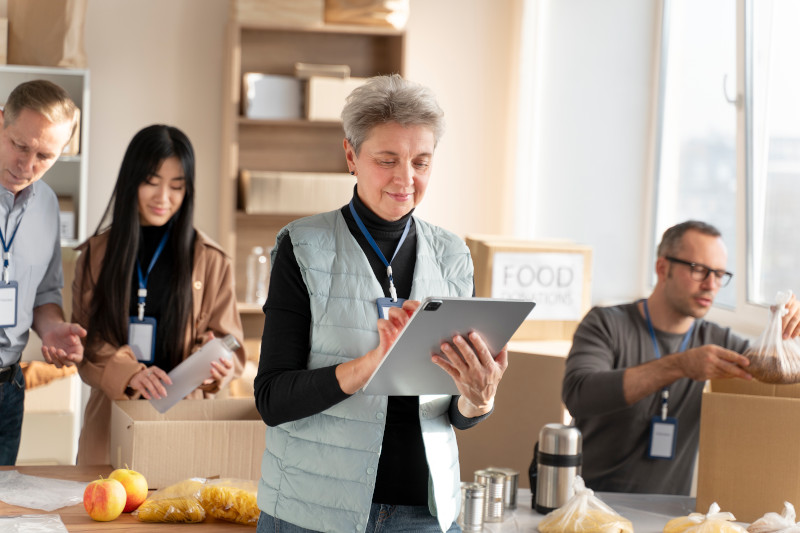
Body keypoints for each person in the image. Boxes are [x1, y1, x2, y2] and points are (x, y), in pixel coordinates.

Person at [254, 74, 507, 533]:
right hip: (311, 514)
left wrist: (477, 398)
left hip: (424, 516)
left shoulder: (453, 255)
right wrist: (368, 367)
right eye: (387, 159)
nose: (405, 179)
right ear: (351, 156)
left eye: (421, 162)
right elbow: (272, 400)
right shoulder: (302, 246)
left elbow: (452, 413)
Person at [562, 220, 800, 495]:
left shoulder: (719, 341)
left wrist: (786, 331)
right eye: (699, 270)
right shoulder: (606, 324)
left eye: (720, 274)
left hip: (666, 515)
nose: (711, 285)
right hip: (586, 503)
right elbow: (578, 394)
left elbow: (780, 378)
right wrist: (679, 365)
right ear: (663, 268)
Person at [72, 124, 246, 465]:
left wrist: (218, 365)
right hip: (111, 423)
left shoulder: (211, 259)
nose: (163, 197)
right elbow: (86, 346)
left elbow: (232, 344)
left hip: (184, 425)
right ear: (131, 181)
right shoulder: (96, 254)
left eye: (177, 186)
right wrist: (130, 373)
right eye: (151, 181)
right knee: (104, 512)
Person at [0, 80, 88, 466]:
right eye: (20, 145)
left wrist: (53, 329)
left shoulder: (48, 205)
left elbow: (44, 295)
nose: (28, 164)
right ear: (1, 122)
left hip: (8, 388)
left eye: (45, 156)